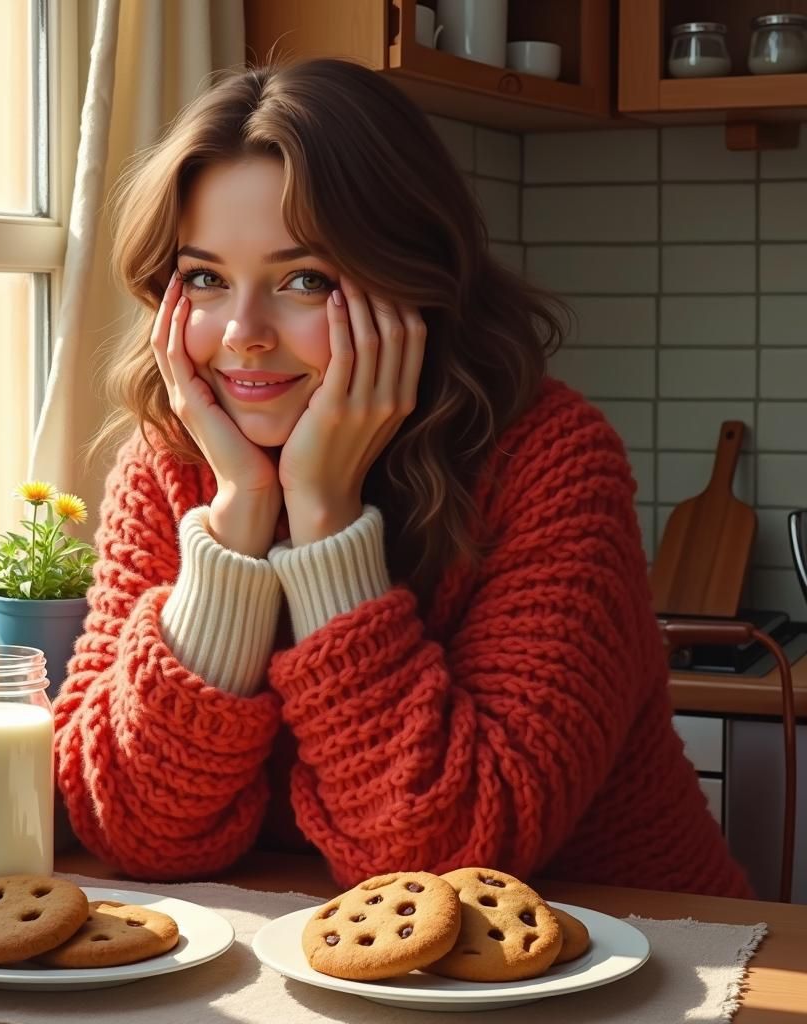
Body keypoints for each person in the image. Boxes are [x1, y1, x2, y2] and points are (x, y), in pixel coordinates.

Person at [52, 57, 751, 899]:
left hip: (643, 952)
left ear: (405, 281)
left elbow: (446, 856)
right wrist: (238, 520)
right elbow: (134, 826)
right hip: (308, 956)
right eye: (205, 278)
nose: (242, 334)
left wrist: (325, 517)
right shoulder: (171, 463)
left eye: (303, 280)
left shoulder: (549, 461)